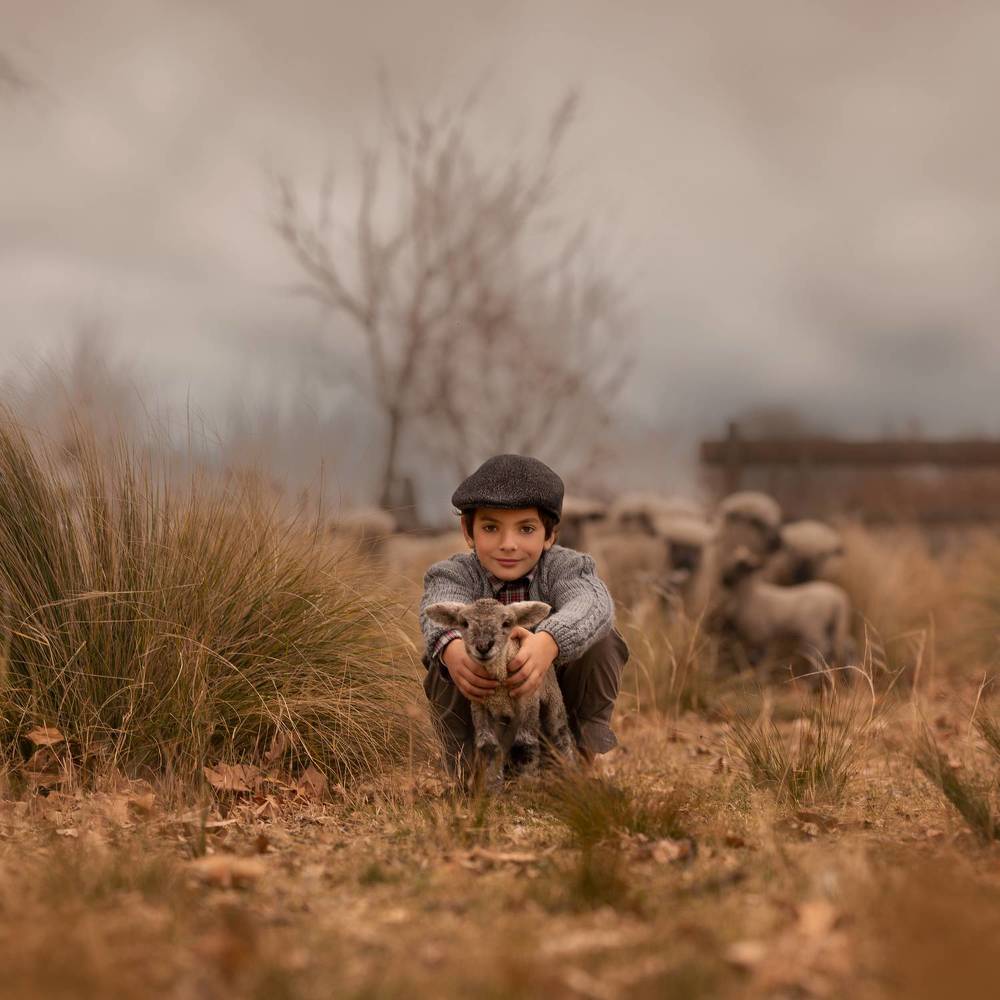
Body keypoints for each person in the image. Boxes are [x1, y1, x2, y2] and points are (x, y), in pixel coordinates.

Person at [419, 453, 629, 779]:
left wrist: (550, 641)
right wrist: (452, 649)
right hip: (483, 709)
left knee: (603, 641)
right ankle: (470, 768)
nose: (508, 544)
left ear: (549, 535)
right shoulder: (454, 574)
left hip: (550, 709)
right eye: (491, 527)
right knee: (443, 655)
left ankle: (573, 761)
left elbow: (592, 603)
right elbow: (438, 606)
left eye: (526, 529)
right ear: (468, 531)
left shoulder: (566, 568)